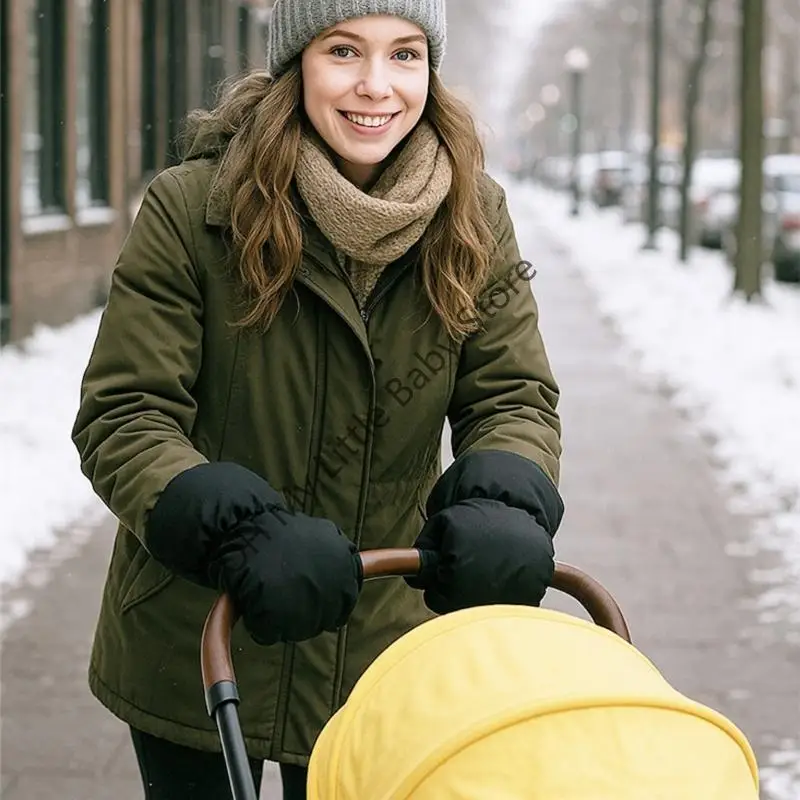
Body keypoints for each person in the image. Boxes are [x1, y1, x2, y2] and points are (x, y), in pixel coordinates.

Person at [71, 1, 564, 797]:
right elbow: (127, 413)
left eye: (405, 54)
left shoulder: (473, 214)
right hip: (199, 631)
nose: (376, 85)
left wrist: (504, 500)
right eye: (343, 50)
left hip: (379, 640)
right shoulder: (192, 208)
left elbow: (511, 394)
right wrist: (238, 530)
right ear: (296, 60)